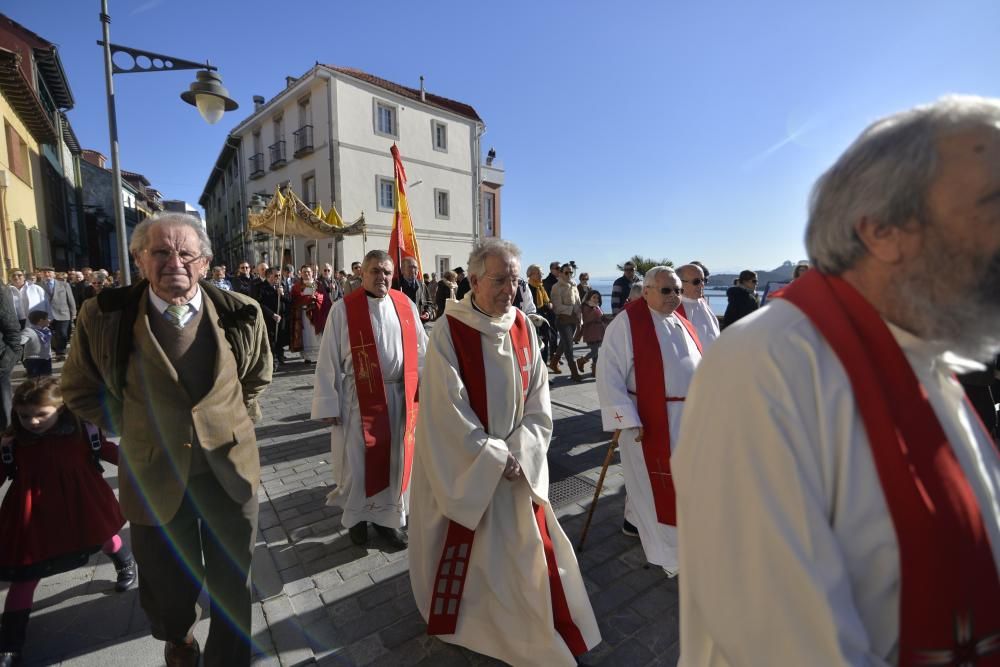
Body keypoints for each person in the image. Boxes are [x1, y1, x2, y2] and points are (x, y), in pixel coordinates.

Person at [673, 96, 1000, 665]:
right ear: (882, 230)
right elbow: (782, 643)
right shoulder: (764, 367)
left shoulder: (925, 352)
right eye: (991, 203)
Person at [61, 212, 272, 667]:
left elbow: (257, 375)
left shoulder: (241, 311)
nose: (172, 261)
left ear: (204, 262)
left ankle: (228, 659)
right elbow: (78, 388)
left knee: (234, 584)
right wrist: (133, 423)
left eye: (184, 252)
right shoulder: (104, 316)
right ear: (140, 260)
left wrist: (232, 419)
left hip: (230, 471)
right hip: (154, 472)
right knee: (168, 588)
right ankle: (180, 640)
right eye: (160, 251)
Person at [409, 239, 601, 665]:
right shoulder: (448, 332)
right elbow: (446, 411)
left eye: (514, 281)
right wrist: (494, 457)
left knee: (523, 558)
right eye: (499, 281)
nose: (508, 290)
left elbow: (539, 399)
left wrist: (522, 451)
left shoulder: (523, 326)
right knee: (475, 563)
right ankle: (476, 620)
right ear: (474, 281)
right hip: (469, 468)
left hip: (517, 467)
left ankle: (525, 624)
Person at [0, 377, 136, 664]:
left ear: (61, 410)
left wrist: (141, 465)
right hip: (33, 518)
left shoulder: (83, 432)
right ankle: (10, 642)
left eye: (41, 414)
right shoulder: (13, 442)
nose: (32, 422)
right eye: (25, 415)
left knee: (105, 538)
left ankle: (124, 561)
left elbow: (112, 453)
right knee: (25, 576)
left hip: (81, 505)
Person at [310, 250, 427, 548]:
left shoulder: (405, 304)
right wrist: (328, 402)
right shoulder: (344, 309)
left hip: (399, 397)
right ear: (362, 273)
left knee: (395, 461)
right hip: (358, 400)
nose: (381, 277)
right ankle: (358, 519)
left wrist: (425, 388)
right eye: (374, 271)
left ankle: (388, 521)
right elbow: (328, 360)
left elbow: (423, 351)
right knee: (357, 464)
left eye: (387, 272)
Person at [597, 266, 702, 577]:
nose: (675, 296)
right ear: (646, 291)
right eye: (667, 290)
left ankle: (681, 541)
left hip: (686, 419)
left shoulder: (682, 321)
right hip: (650, 422)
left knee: (683, 483)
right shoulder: (626, 324)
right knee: (654, 487)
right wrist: (626, 417)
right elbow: (609, 373)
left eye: (678, 290)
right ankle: (669, 555)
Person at [289, 265, 331, 364]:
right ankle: (307, 357)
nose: (306, 274)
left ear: (312, 273)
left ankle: (318, 356)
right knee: (306, 335)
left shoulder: (317, 284)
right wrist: (307, 299)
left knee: (316, 335)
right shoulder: (296, 286)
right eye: (304, 272)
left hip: (316, 313)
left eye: (308, 272)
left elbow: (324, 298)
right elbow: (294, 300)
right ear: (301, 273)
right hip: (303, 315)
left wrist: (316, 298)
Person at [676, 263, 721, 352]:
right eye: (696, 281)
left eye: (703, 280)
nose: (702, 285)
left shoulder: (702, 301)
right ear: (679, 283)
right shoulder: (674, 308)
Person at [550, 263, 584, 381]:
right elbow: (557, 306)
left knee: (564, 343)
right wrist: (572, 309)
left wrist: (579, 316)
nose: (569, 274)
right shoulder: (556, 287)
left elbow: (578, 302)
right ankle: (574, 372)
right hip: (563, 320)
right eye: (566, 272)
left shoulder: (574, 285)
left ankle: (554, 362)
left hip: (573, 319)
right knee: (569, 346)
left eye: (571, 272)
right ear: (560, 273)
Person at [255, 268, 289, 371]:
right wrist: (272, 314)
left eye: (279, 275)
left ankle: (279, 356)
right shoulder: (261, 287)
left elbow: (289, 300)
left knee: (279, 339)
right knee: (271, 340)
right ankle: (272, 361)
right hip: (269, 318)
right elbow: (259, 303)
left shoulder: (281, 286)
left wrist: (282, 294)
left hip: (281, 318)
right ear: (269, 276)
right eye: (276, 275)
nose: (278, 278)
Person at [37, 268, 75, 362]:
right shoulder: (37, 286)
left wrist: (73, 312)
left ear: (54, 274)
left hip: (63, 313)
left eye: (49, 272)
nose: (47, 274)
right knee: (50, 335)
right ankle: (56, 349)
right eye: (44, 272)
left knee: (63, 334)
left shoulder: (64, 285)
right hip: (45, 315)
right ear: (40, 275)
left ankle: (61, 352)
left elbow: (70, 299)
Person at [577, 289, 606, 377]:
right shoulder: (586, 306)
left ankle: (595, 371)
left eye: (597, 298)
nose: (596, 299)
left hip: (599, 332)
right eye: (594, 297)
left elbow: (601, 317)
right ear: (589, 297)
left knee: (596, 352)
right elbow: (588, 319)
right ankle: (581, 361)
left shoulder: (596, 306)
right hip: (590, 332)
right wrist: (595, 309)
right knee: (594, 351)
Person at [398, 257, 435, 322]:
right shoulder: (395, 286)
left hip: (420, 325)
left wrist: (428, 313)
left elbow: (430, 304)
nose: (413, 270)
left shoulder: (422, 285)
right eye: (410, 267)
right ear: (402, 270)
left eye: (415, 267)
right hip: (402, 326)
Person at [20, 311, 52, 378]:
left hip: (46, 358)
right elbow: (20, 341)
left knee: (46, 380)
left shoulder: (46, 330)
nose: (49, 320)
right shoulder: (28, 331)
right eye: (47, 318)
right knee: (34, 380)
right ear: (41, 321)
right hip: (33, 360)